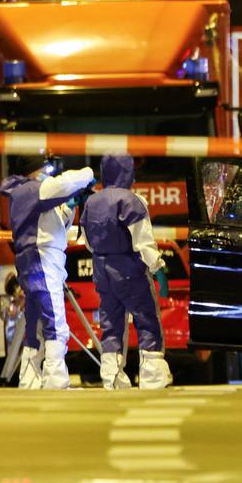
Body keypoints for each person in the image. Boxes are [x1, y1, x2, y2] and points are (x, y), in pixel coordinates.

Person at [0, 155, 95, 390]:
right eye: (46, 168)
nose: (49, 173)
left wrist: (68, 209)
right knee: (55, 320)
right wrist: (89, 174)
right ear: (34, 171)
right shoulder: (34, 189)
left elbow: (52, 223)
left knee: (35, 322)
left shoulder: (26, 193)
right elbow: (64, 183)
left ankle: (29, 378)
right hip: (43, 259)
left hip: (35, 258)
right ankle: (55, 378)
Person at [81, 154, 172, 390]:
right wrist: (159, 269)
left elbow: (88, 242)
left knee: (111, 324)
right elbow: (144, 242)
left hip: (102, 270)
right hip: (130, 270)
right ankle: (153, 376)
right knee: (146, 319)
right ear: (128, 172)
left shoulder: (92, 202)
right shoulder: (132, 201)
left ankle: (111, 376)